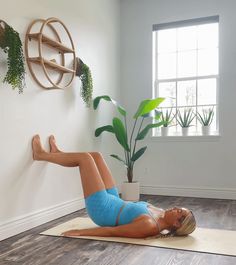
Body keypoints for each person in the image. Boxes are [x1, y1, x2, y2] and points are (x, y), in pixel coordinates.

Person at [32, 135, 196, 239]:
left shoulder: (150, 226)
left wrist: (81, 232)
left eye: (178, 212)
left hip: (102, 210)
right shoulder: (161, 212)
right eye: (179, 208)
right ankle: (57, 153)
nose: (175, 208)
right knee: (96, 156)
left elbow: (113, 232)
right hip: (114, 200)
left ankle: (41, 155)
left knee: (85, 159)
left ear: (177, 224)